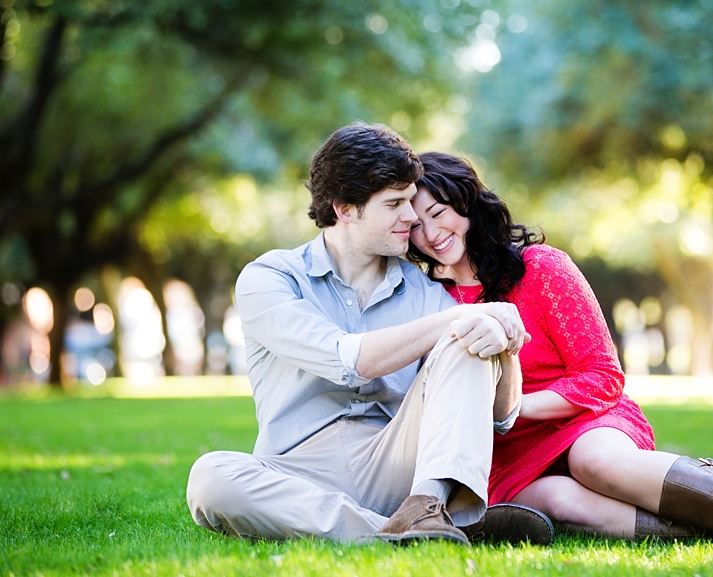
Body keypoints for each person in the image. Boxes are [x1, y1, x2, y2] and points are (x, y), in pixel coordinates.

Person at [407, 151, 713, 541]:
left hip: (584, 420)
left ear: (467, 204)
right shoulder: (427, 301)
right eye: (416, 225)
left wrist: (514, 410)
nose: (431, 234)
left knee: (594, 462)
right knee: (558, 501)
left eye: (438, 213)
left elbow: (602, 376)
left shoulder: (541, 268)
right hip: (504, 455)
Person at [185, 124, 553, 546]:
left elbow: (501, 418)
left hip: (395, 463)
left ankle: (425, 508)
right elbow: (349, 359)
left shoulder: (426, 294)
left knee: (468, 337)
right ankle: (401, 529)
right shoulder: (271, 279)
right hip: (298, 472)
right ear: (344, 209)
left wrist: (501, 345)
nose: (412, 217)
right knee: (210, 478)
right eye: (395, 203)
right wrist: (467, 317)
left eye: (410, 200)